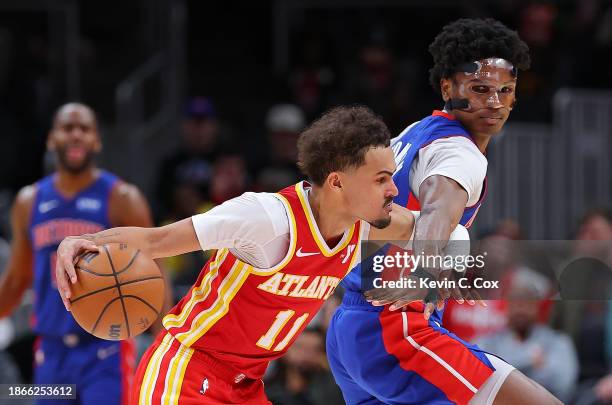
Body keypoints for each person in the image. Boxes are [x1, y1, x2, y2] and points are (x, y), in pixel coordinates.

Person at [55, 106, 417, 404]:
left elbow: (448, 233)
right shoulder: (265, 218)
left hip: (247, 386)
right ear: (337, 181)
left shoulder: (367, 227)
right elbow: (155, 241)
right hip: (188, 372)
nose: (393, 189)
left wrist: (433, 283)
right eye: (381, 179)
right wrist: (80, 242)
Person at [326, 18, 562, 404]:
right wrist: (426, 271)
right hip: (395, 326)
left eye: (506, 90)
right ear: (448, 87)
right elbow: (439, 208)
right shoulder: (459, 154)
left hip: (351, 328)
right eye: (481, 89)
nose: (495, 102)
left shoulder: (414, 133)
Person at [0, 102, 168, 405]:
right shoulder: (29, 202)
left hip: (105, 350)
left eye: (84, 129)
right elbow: (16, 280)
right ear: (52, 138)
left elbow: (156, 270)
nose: (76, 135)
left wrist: (163, 339)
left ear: (97, 140)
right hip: (50, 352)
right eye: (67, 128)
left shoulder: (122, 198)